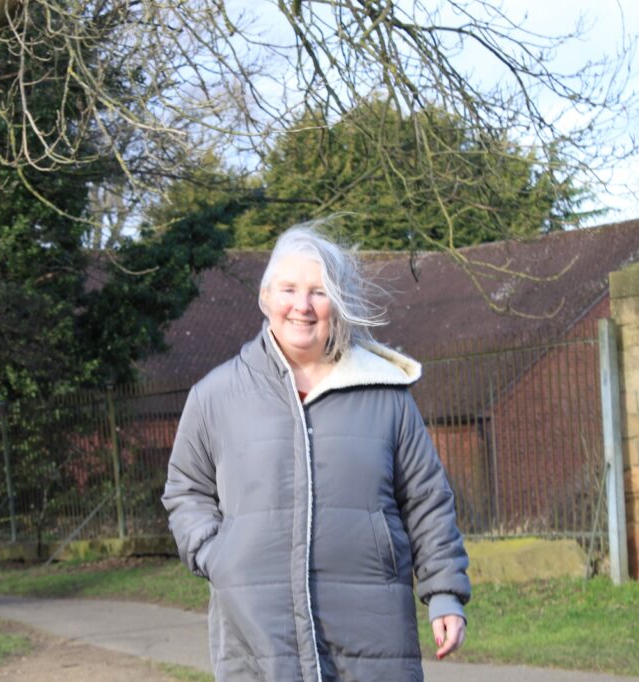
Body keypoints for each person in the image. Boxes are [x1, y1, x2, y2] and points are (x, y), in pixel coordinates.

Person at [162, 224, 470, 681]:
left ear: (338, 303)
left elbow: (427, 500)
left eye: (319, 292)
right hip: (257, 632)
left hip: (373, 632)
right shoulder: (215, 395)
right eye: (288, 289)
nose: (302, 306)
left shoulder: (385, 394)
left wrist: (444, 593)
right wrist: (217, 554)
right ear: (266, 297)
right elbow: (185, 490)